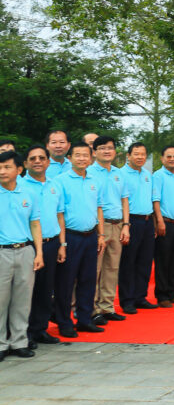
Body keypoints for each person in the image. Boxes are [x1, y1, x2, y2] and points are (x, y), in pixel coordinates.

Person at [54, 142, 105, 336]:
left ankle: (84, 319)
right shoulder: (60, 181)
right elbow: (59, 214)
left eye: (85, 155)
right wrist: (62, 243)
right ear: (70, 158)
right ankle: (64, 322)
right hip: (71, 236)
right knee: (66, 282)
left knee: (88, 279)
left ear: (91, 158)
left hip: (90, 236)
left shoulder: (94, 180)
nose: (82, 158)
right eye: (78, 155)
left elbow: (99, 208)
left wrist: (101, 235)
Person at [0, 151, 45, 360]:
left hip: (25, 250)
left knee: (22, 300)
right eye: (0, 167)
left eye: (7, 167)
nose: (2, 171)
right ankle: (1, 344)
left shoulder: (29, 193)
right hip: (2, 252)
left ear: (19, 170)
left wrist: (39, 252)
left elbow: (35, 224)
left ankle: (19, 342)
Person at [23, 145, 66, 347]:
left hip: (51, 243)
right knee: (26, 291)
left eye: (42, 158)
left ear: (48, 162)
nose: (37, 161)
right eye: (33, 158)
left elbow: (60, 215)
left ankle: (40, 329)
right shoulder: (19, 186)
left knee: (45, 289)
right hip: (28, 245)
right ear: (25, 163)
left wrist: (62, 244)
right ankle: (23, 333)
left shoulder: (54, 185)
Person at [89, 135, 130, 326]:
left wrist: (126, 225)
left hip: (118, 224)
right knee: (94, 269)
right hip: (99, 226)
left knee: (112, 268)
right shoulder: (89, 173)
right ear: (94, 152)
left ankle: (107, 306)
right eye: (102, 148)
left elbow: (124, 200)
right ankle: (92, 309)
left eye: (110, 148)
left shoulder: (118, 173)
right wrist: (99, 231)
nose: (107, 151)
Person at [119, 142, 156, 313]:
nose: (140, 157)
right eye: (136, 154)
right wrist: (125, 224)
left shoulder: (147, 174)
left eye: (143, 154)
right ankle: (127, 300)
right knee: (128, 262)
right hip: (131, 221)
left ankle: (140, 297)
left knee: (145, 261)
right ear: (128, 156)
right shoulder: (120, 174)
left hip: (147, 221)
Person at [152, 145, 174, 307]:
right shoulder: (158, 176)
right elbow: (156, 200)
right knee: (163, 260)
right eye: (168, 156)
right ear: (162, 159)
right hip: (166, 223)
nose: (172, 159)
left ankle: (172, 292)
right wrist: (159, 221)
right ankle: (162, 296)